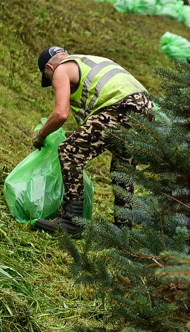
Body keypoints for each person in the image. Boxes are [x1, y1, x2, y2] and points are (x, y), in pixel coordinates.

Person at [31, 46, 153, 235]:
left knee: (69, 152)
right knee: (123, 169)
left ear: (49, 67)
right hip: (145, 109)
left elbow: (60, 114)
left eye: (48, 79)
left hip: (121, 107)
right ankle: (123, 230)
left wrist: (41, 136)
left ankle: (72, 221)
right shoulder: (88, 61)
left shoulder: (61, 69)